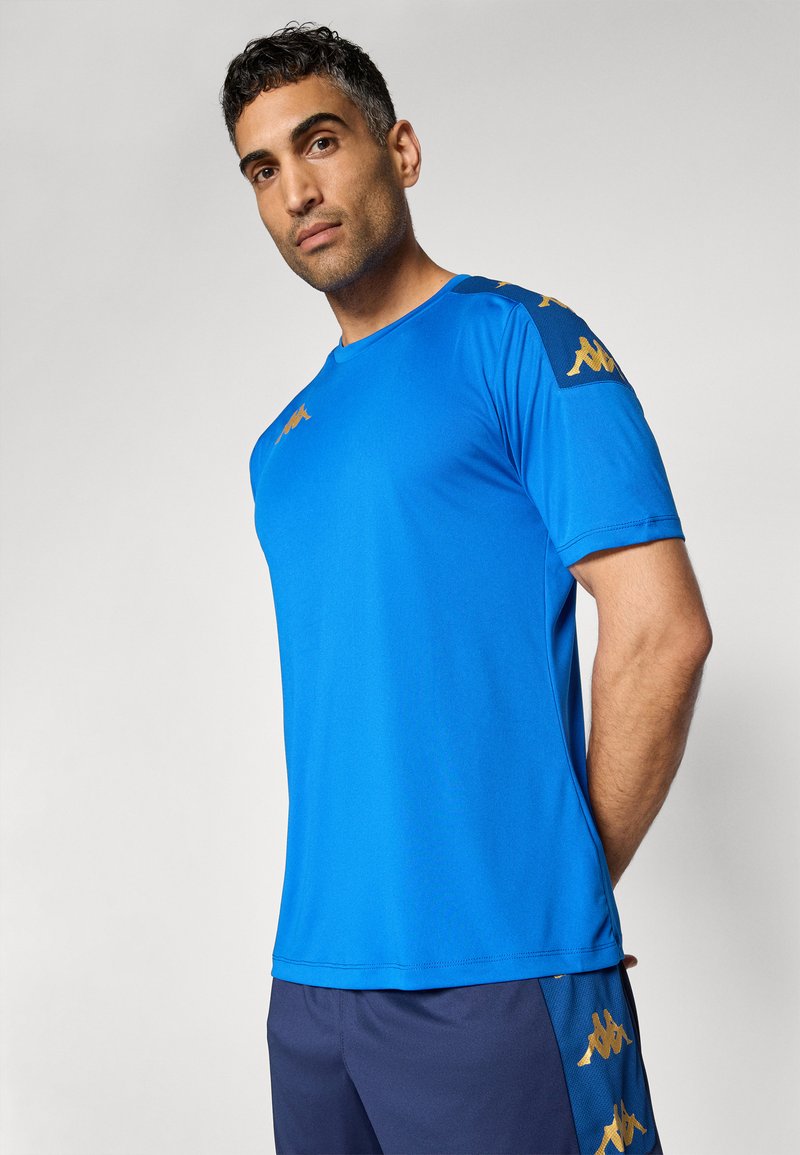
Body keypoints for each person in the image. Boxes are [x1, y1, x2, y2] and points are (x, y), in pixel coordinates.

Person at [220, 21, 712, 1155]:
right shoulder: (279, 448)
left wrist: (560, 894)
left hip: (500, 979)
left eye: (321, 142)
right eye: (262, 169)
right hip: (312, 988)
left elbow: (662, 629)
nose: (296, 190)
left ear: (399, 148)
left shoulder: (520, 341)